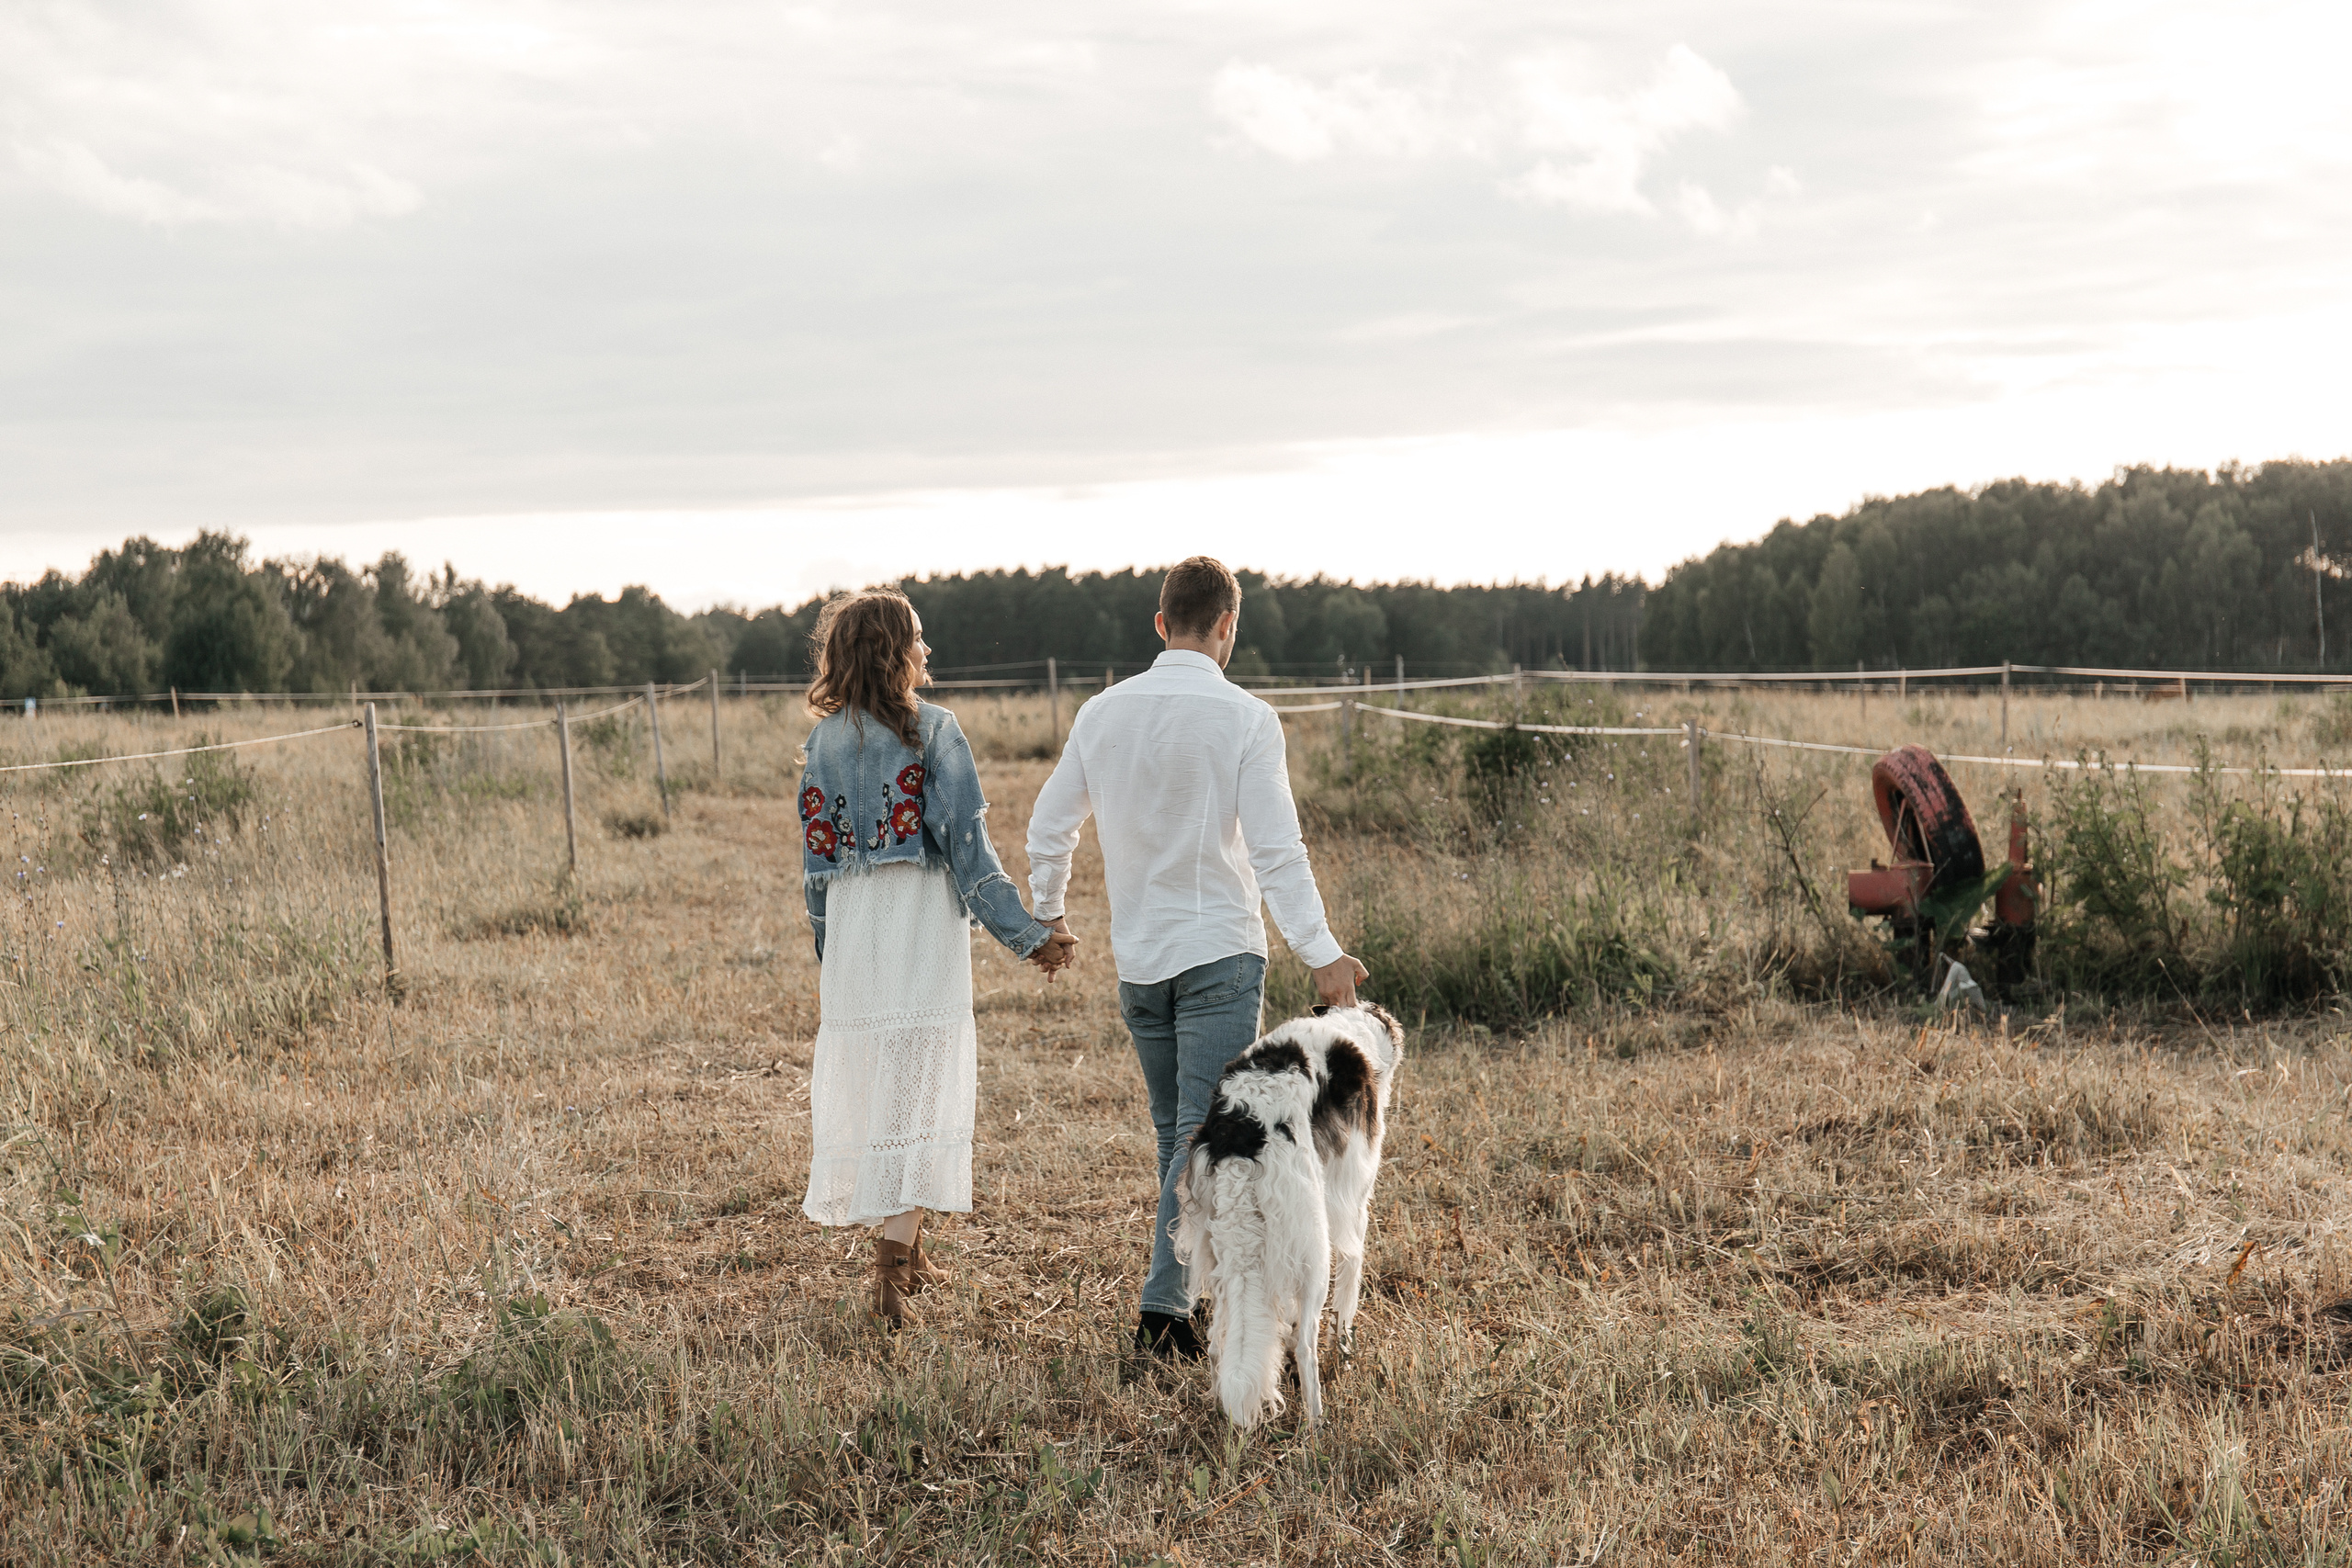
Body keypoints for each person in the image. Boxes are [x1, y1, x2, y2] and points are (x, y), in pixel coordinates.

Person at [1024, 556, 1368, 1362]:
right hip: (1218, 952)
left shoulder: (1101, 714)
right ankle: (1165, 1311)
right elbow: (1278, 853)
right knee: (1193, 1135)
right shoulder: (1246, 717)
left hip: (1139, 961)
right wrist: (1321, 954)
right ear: (1227, 627)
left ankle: (1181, 1297)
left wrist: (1050, 912)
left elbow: (1049, 825)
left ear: (1159, 623)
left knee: (1176, 1135)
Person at [797, 588, 1078, 1328]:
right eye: (919, 637)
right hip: (918, 924)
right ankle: (890, 1276)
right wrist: (1031, 935)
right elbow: (970, 856)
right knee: (917, 1091)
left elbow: (816, 866)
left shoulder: (823, 744)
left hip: (858, 928)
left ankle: (908, 1244)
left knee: (888, 1079)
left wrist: (832, 952)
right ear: (893, 650)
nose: (928, 650)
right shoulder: (936, 731)